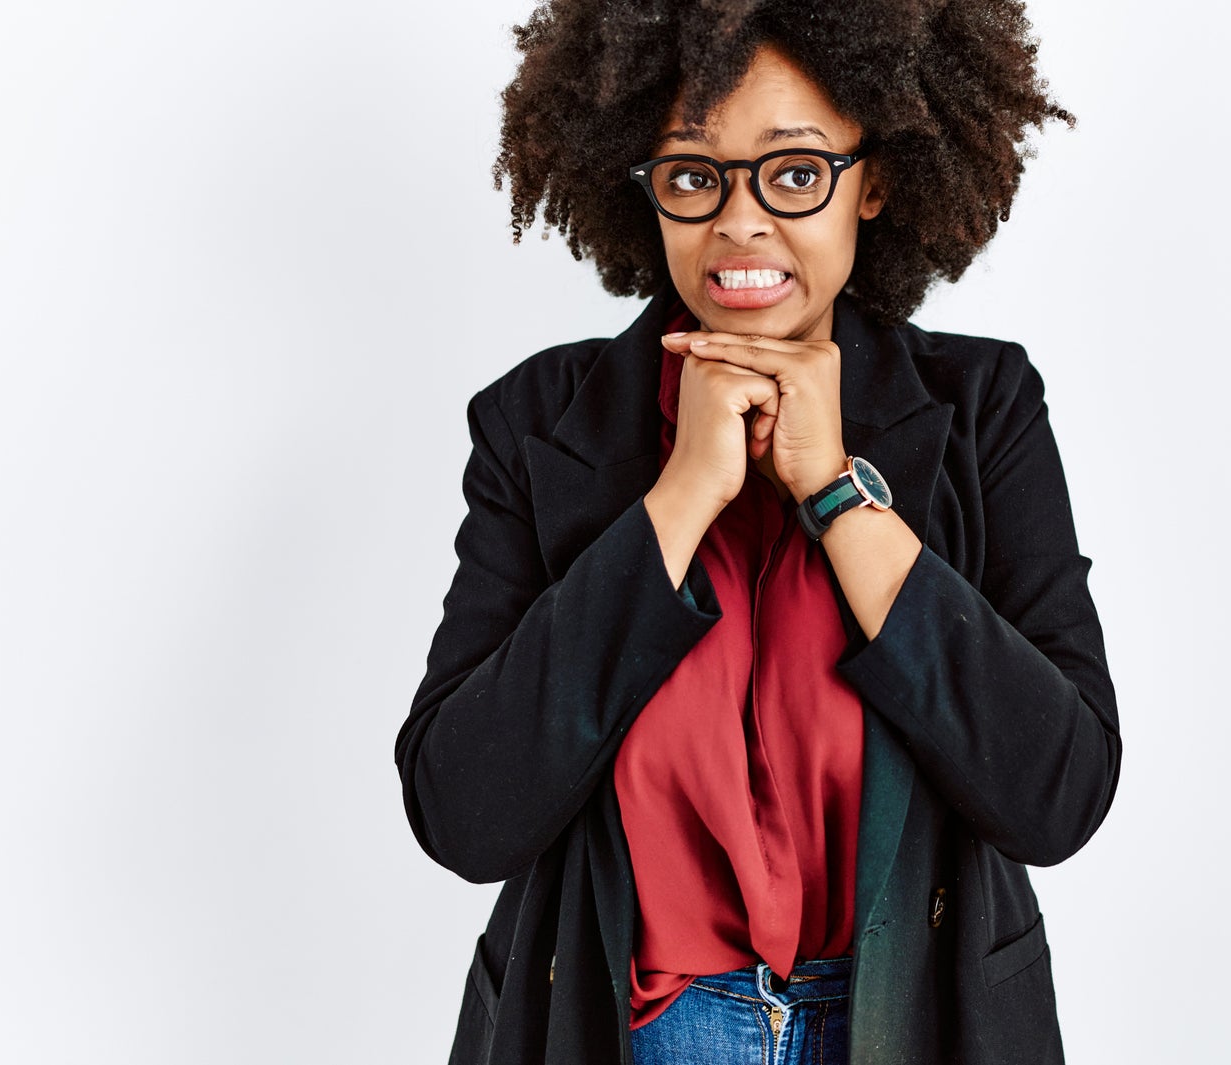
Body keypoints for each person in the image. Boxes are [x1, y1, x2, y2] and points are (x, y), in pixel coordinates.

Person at [394, 2, 1122, 1062]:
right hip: (635, 1030)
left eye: (792, 174)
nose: (739, 222)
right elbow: (464, 814)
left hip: (913, 1024)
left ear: (872, 182)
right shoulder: (536, 426)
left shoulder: (982, 407)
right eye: (693, 177)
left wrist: (830, 491)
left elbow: (1055, 793)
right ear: (639, 187)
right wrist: (680, 495)